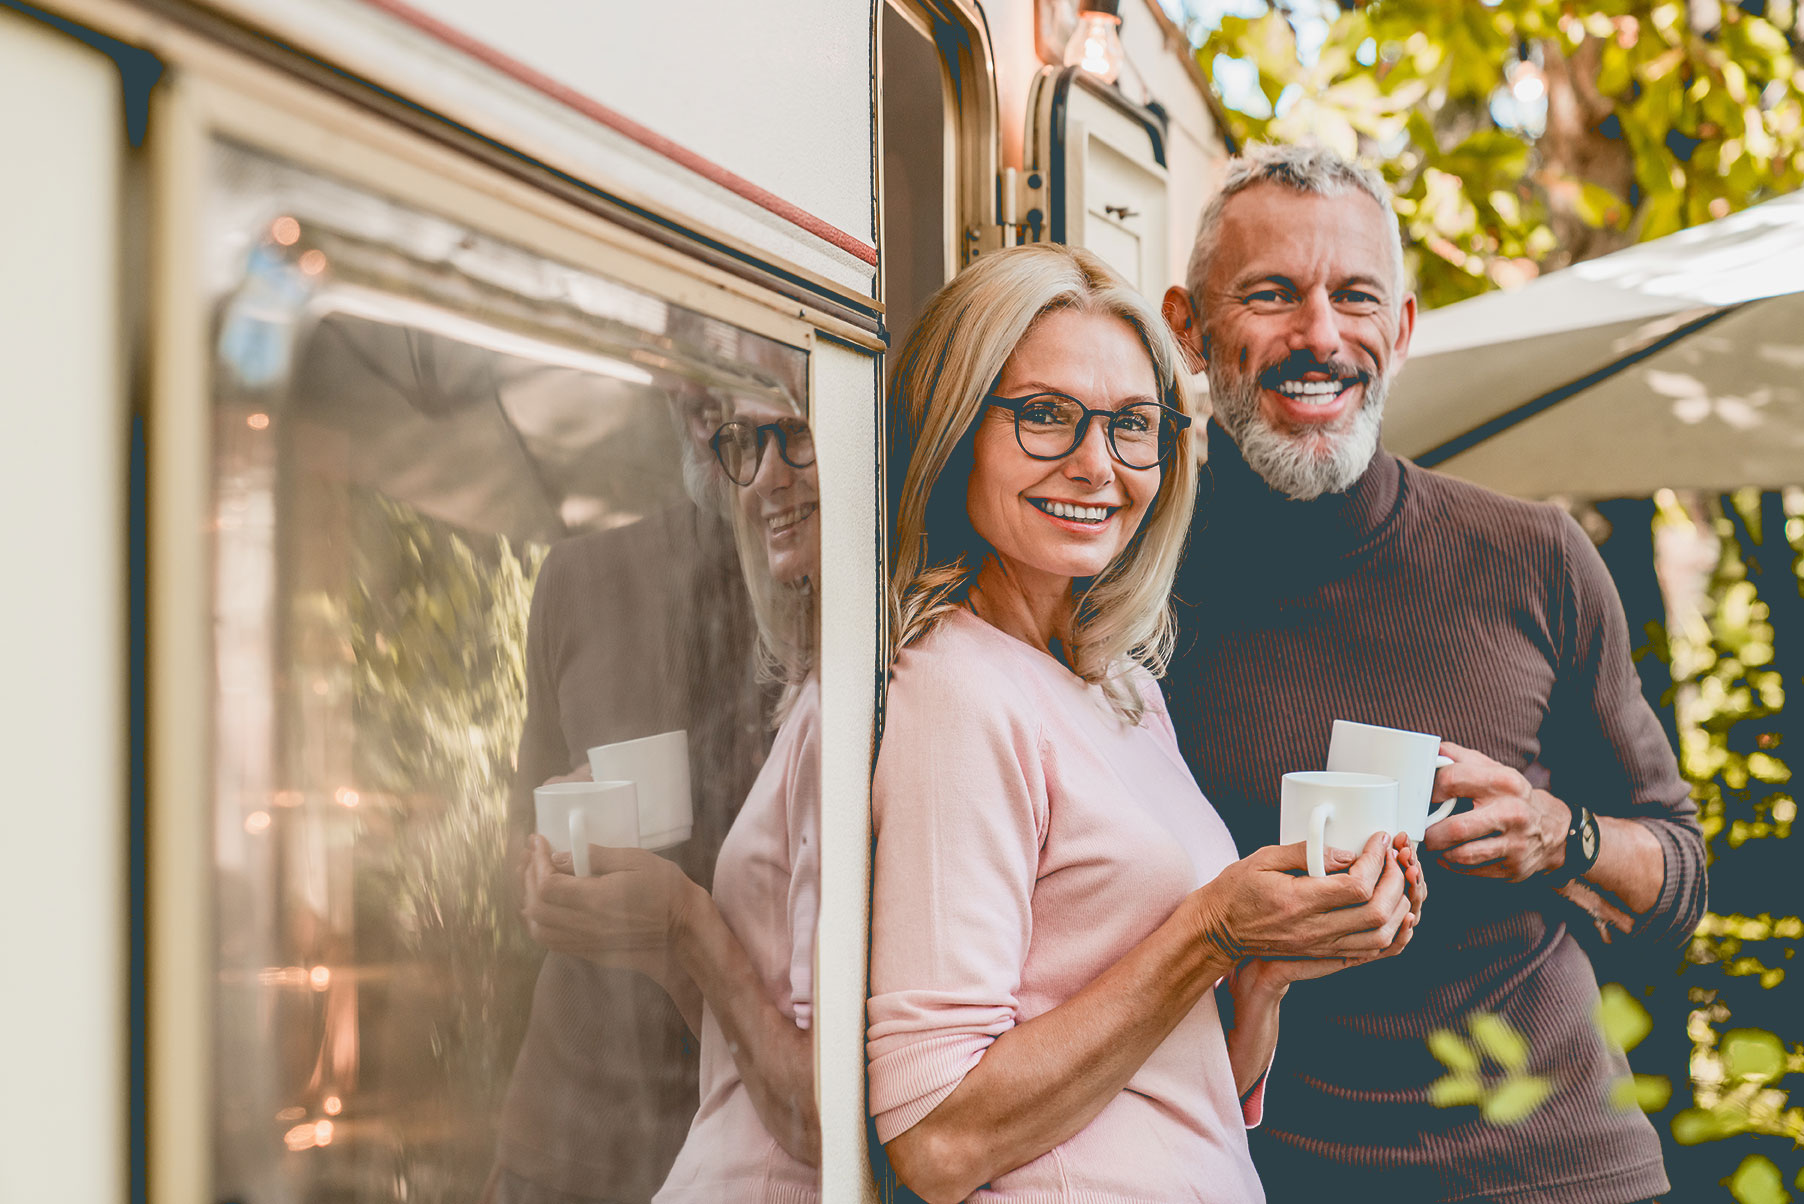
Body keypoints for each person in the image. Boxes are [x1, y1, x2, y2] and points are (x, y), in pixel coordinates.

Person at [1159, 143, 1708, 1203]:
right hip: (1268, 1173)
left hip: (1557, 1169)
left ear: (1400, 330)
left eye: (1354, 297)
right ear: (1189, 327)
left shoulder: (1533, 555)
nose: (1319, 337)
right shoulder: (1129, 586)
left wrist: (1562, 835)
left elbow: (1677, 876)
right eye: (1271, 294)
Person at [867, 243, 1427, 1204]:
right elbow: (937, 1139)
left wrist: (1270, 963)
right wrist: (1211, 930)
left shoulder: (1118, 685)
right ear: (957, 428)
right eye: (1044, 416)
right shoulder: (956, 690)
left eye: (1133, 426)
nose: (1097, 466)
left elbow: (1195, 1083)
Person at [518, 389, 824, 1204]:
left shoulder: (832, 598)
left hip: (750, 1128)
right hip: (574, 1124)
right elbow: (520, 849)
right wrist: (547, 881)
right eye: (701, 396)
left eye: (790, 434)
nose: (769, 472)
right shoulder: (582, 581)